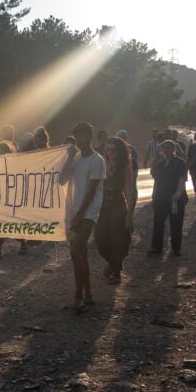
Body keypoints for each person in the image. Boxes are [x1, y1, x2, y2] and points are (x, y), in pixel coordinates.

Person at [64, 122, 105, 310]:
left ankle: (77, 294)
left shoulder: (97, 160)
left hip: (88, 213)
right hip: (73, 213)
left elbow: (92, 189)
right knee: (81, 255)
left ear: (90, 137)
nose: (81, 140)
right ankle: (87, 293)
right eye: (77, 137)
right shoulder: (76, 158)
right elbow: (62, 179)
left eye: (83, 136)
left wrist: (80, 214)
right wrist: (69, 157)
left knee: (75, 251)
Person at [96, 136, 134, 284]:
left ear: (120, 151)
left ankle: (116, 271)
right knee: (100, 238)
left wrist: (129, 214)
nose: (110, 153)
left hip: (118, 203)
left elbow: (129, 191)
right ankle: (112, 262)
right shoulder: (101, 164)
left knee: (118, 238)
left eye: (113, 150)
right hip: (103, 204)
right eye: (107, 149)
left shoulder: (125, 167)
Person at [0, 140, 27, 259]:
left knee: (15, 222)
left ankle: (23, 244)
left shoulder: (15, 165)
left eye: (2, 153)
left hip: (12, 199)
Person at [147, 140, 188, 256]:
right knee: (158, 223)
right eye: (164, 148)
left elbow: (182, 178)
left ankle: (176, 248)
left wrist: (178, 193)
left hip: (175, 198)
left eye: (169, 148)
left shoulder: (180, 163)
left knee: (176, 223)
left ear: (174, 149)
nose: (166, 150)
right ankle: (156, 247)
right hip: (160, 197)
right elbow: (156, 180)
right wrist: (154, 194)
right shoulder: (160, 164)